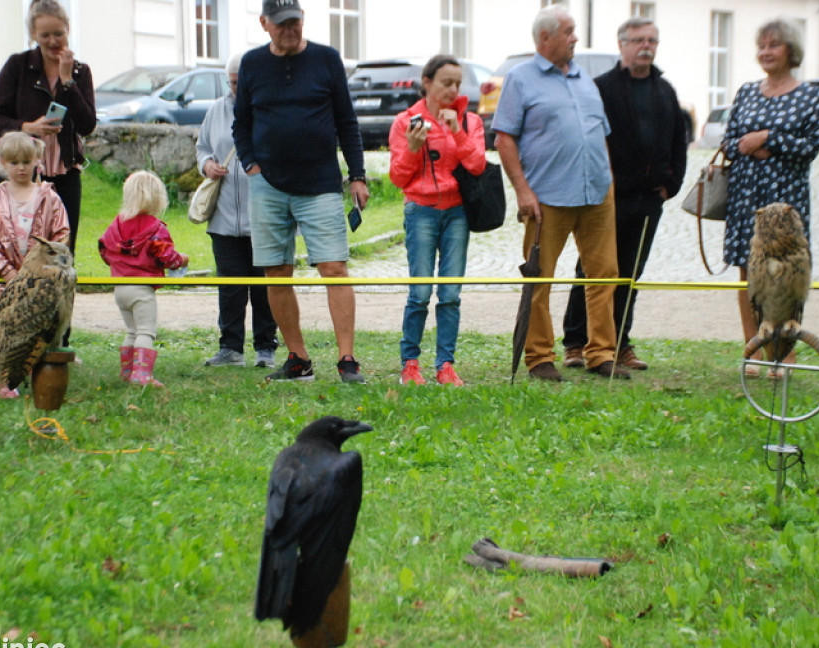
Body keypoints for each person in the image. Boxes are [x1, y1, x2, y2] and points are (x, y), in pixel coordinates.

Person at [233, 0, 370, 383]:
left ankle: (347, 360)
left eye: (294, 22)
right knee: (276, 272)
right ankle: (298, 359)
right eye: (281, 24)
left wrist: (356, 175)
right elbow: (241, 123)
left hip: (321, 183)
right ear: (264, 24)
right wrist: (251, 165)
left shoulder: (326, 59)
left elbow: (347, 120)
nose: (289, 30)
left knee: (334, 268)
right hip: (268, 185)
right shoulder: (252, 64)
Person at [492, 5, 626, 382]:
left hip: (597, 194)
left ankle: (601, 353)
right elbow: (504, 140)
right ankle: (540, 358)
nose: (575, 38)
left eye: (574, 31)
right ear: (545, 37)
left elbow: (601, 136)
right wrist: (522, 191)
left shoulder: (586, 79)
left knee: (604, 277)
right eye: (568, 31)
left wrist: (608, 179)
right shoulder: (520, 78)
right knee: (539, 280)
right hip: (546, 198)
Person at [560, 17, 687, 373]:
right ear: (622, 44)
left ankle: (619, 343)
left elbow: (680, 139)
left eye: (651, 40)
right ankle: (575, 342)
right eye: (638, 40)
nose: (645, 46)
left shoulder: (665, 90)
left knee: (629, 273)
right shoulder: (600, 87)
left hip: (649, 199)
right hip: (606, 196)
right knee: (591, 270)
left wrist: (670, 183)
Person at [723, 19, 819, 376]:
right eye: (762, 45)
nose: (765, 52)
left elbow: (811, 147)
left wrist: (768, 138)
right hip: (746, 197)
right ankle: (752, 349)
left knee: (788, 277)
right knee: (747, 274)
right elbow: (729, 142)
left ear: (790, 51)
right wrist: (747, 145)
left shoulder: (810, 95)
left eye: (774, 45)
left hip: (786, 199)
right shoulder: (747, 91)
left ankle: (783, 355)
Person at [388, 55, 486, 387]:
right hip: (421, 211)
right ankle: (410, 364)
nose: (453, 89)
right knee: (419, 292)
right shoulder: (406, 121)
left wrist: (457, 132)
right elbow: (399, 178)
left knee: (451, 293)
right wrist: (413, 149)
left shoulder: (470, 121)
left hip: (457, 212)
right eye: (446, 82)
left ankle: (445, 365)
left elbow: (477, 166)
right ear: (427, 82)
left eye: (458, 83)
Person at [0, 0, 96, 255]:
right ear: (33, 34)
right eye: (44, 35)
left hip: (65, 173)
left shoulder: (81, 72)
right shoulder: (17, 66)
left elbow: (87, 124)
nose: (52, 41)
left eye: (58, 33)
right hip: (22, 170)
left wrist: (68, 81)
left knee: (63, 250)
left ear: (68, 29)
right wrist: (28, 128)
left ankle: (60, 295)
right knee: (20, 247)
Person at [196, 54, 278, 370]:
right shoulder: (216, 110)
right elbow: (202, 147)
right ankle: (230, 347)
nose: (236, 88)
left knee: (264, 286)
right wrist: (207, 165)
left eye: (240, 82)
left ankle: (265, 348)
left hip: (264, 214)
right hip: (224, 215)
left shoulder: (269, 109)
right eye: (231, 83)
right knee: (230, 286)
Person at [98, 171, 189, 387]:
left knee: (132, 330)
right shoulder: (156, 228)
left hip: (120, 288)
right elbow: (166, 256)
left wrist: (119, 264)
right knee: (146, 331)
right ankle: (142, 375)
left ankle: (128, 371)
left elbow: (104, 249)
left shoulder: (116, 224)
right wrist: (181, 260)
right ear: (158, 199)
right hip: (142, 289)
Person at [0, 131, 70, 284]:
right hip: (2, 282)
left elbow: (61, 235)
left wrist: (45, 268)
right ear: (3, 162)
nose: (21, 168)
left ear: (36, 161)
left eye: (26, 162)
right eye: (14, 162)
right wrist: (6, 272)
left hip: (42, 280)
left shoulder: (49, 197)